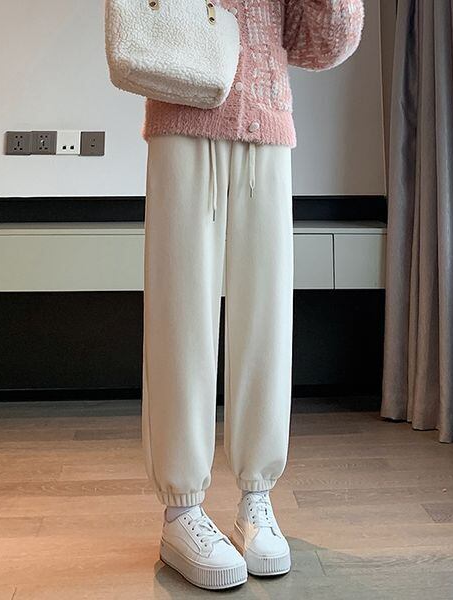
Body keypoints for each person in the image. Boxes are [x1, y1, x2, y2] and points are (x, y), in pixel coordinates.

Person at [140, 0, 364, 590]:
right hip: (183, 109)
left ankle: (256, 497)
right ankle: (182, 510)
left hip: (266, 116)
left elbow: (324, 43)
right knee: (181, 317)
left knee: (267, 320)